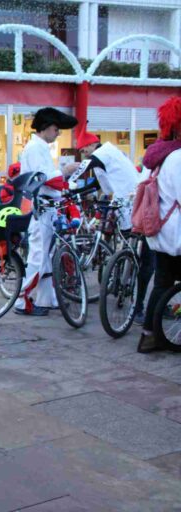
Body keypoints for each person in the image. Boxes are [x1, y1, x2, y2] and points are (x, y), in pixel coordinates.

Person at [76, 131, 153, 321]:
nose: (83, 152)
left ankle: (133, 293)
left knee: (139, 254)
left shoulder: (105, 152)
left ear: (93, 144)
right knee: (126, 244)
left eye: (83, 148)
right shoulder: (103, 159)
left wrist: (68, 180)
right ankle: (121, 276)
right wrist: (73, 191)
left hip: (133, 203)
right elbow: (95, 184)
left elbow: (87, 164)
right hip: (123, 202)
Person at [13, 108, 80, 316]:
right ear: (46, 127)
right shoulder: (35, 148)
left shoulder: (38, 147)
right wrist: (65, 172)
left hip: (45, 207)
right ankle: (22, 301)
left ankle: (46, 299)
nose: (58, 133)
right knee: (38, 256)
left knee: (45, 256)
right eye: (56, 128)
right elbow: (43, 178)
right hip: (41, 208)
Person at [135, 97, 181, 353]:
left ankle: (149, 336)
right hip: (176, 234)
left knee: (162, 283)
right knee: (164, 283)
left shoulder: (157, 155)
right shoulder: (178, 157)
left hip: (158, 232)